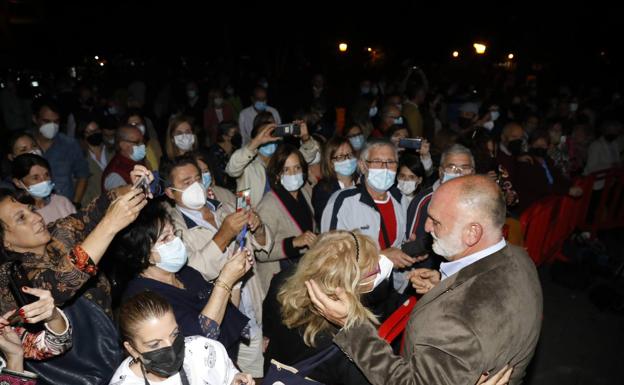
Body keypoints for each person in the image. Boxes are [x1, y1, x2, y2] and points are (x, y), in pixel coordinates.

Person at [307, 175, 543, 385]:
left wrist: (351, 324)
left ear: (473, 233)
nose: (427, 227)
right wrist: (446, 285)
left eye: (436, 221)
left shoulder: (459, 320)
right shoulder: (520, 258)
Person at [0, 165, 151, 384]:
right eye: (21, 218)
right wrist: (109, 224)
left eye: (31, 210)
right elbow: (60, 281)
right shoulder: (8, 278)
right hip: (76, 371)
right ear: (4, 240)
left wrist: (133, 186)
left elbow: (97, 209)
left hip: (113, 342)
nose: (36, 218)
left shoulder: (59, 232)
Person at [159, 155, 272, 376]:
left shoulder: (227, 207)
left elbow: (260, 247)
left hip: (252, 302)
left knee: (260, 373)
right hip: (221, 318)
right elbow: (189, 273)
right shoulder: (172, 228)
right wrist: (223, 236)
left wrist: (257, 228)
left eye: (198, 178)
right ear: (171, 193)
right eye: (186, 183)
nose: (196, 186)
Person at [117, 200, 252, 353]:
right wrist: (225, 281)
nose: (175, 241)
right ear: (143, 254)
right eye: (165, 238)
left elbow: (225, 311)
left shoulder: (186, 274)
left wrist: (235, 281)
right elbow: (202, 338)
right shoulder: (142, 298)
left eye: (174, 233)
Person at [263, 231, 387, 385]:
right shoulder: (349, 340)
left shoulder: (282, 280)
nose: (379, 272)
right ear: (350, 283)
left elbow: (268, 330)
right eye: (374, 270)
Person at [110, 290, 253, 385]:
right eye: (155, 345)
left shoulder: (203, 350)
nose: (171, 347)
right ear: (132, 349)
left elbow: (226, 376)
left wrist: (235, 380)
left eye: (174, 334)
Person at [321, 139, 416, 272]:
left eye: (390, 162)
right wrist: (380, 257)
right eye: (377, 162)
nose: (385, 168)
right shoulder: (343, 201)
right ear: (363, 165)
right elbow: (329, 253)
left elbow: (401, 244)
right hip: (355, 286)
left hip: (392, 285)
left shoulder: (400, 199)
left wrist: (412, 250)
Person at [256, 145, 316, 293]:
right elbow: (260, 253)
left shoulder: (305, 191)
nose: (293, 174)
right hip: (281, 280)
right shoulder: (268, 204)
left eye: (297, 168)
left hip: (304, 272)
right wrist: (294, 242)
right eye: (286, 170)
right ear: (277, 174)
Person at [226, 113, 318, 207]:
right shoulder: (247, 164)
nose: (267, 138)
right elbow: (232, 169)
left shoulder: (281, 159)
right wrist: (255, 143)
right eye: (263, 135)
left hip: (280, 213)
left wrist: (305, 138)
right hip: (253, 216)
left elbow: (306, 156)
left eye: (271, 134)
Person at [0, 288, 72, 378]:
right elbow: (58, 345)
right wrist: (14, 357)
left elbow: (57, 344)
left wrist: (53, 316)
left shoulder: (6, 334)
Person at [32, 99, 89, 205]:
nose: (52, 126)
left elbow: (83, 175)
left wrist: (75, 204)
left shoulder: (69, 145)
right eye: (46, 121)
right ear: (35, 119)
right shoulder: (24, 145)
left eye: (56, 121)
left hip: (64, 208)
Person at [11, 154, 76, 225]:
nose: (44, 181)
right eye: (35, 178)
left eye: (46, 175)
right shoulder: (19, 216)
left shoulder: (62, 202)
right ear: (18, 183)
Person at [312, 136, 358, 225]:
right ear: (331, 162)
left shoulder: (363, 183)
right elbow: (325, 221)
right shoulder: (322, 190)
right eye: (341, 156)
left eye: (350, 154)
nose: (347, 160)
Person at [79, 119, 113, 208]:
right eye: (89, 132)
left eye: (96, 130)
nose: (93, 134)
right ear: (83, 135)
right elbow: (81, 190)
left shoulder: (113, 150)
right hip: (96, 207)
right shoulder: (81, 159)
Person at [102, 125, 146, 191]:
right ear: (123, 145)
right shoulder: (115, 175)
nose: (142, 145)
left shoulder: (136, 162)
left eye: (143, 141)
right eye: (137, 142)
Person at [206, 121, 240, 191]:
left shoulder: (236, 149)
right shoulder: (214, 152)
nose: (237, 136)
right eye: (234, 133)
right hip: (224, 191)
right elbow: (221, 177)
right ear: (224, 136)